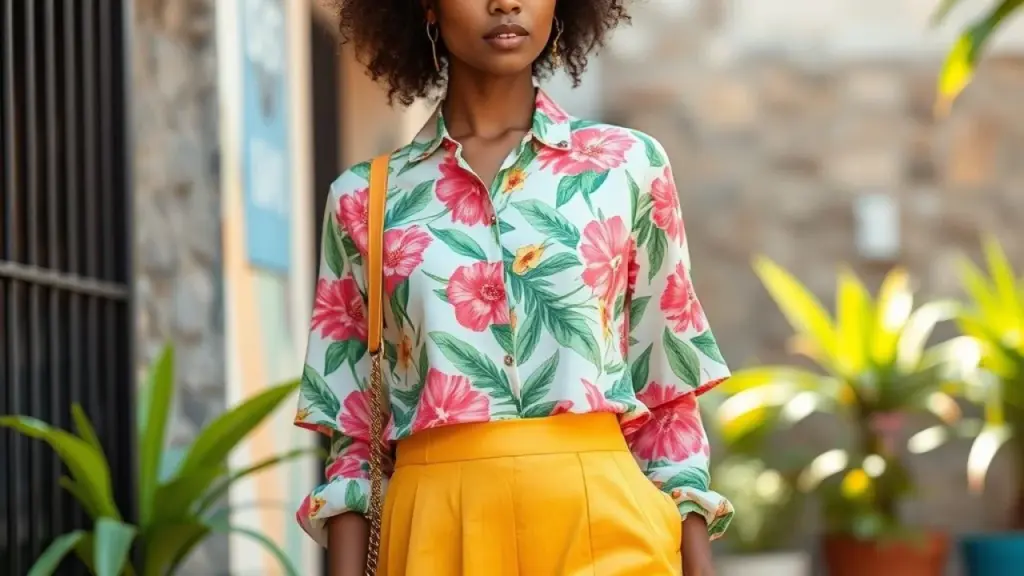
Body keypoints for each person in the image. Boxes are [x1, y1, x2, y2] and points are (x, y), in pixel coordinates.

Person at [294, 1, 734, 574]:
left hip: (606, 519)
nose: (506, 2)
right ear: (426, 7)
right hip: (435, 531)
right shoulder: (364, 200)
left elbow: (668, 392)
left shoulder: (627, 167)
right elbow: (352, 431)